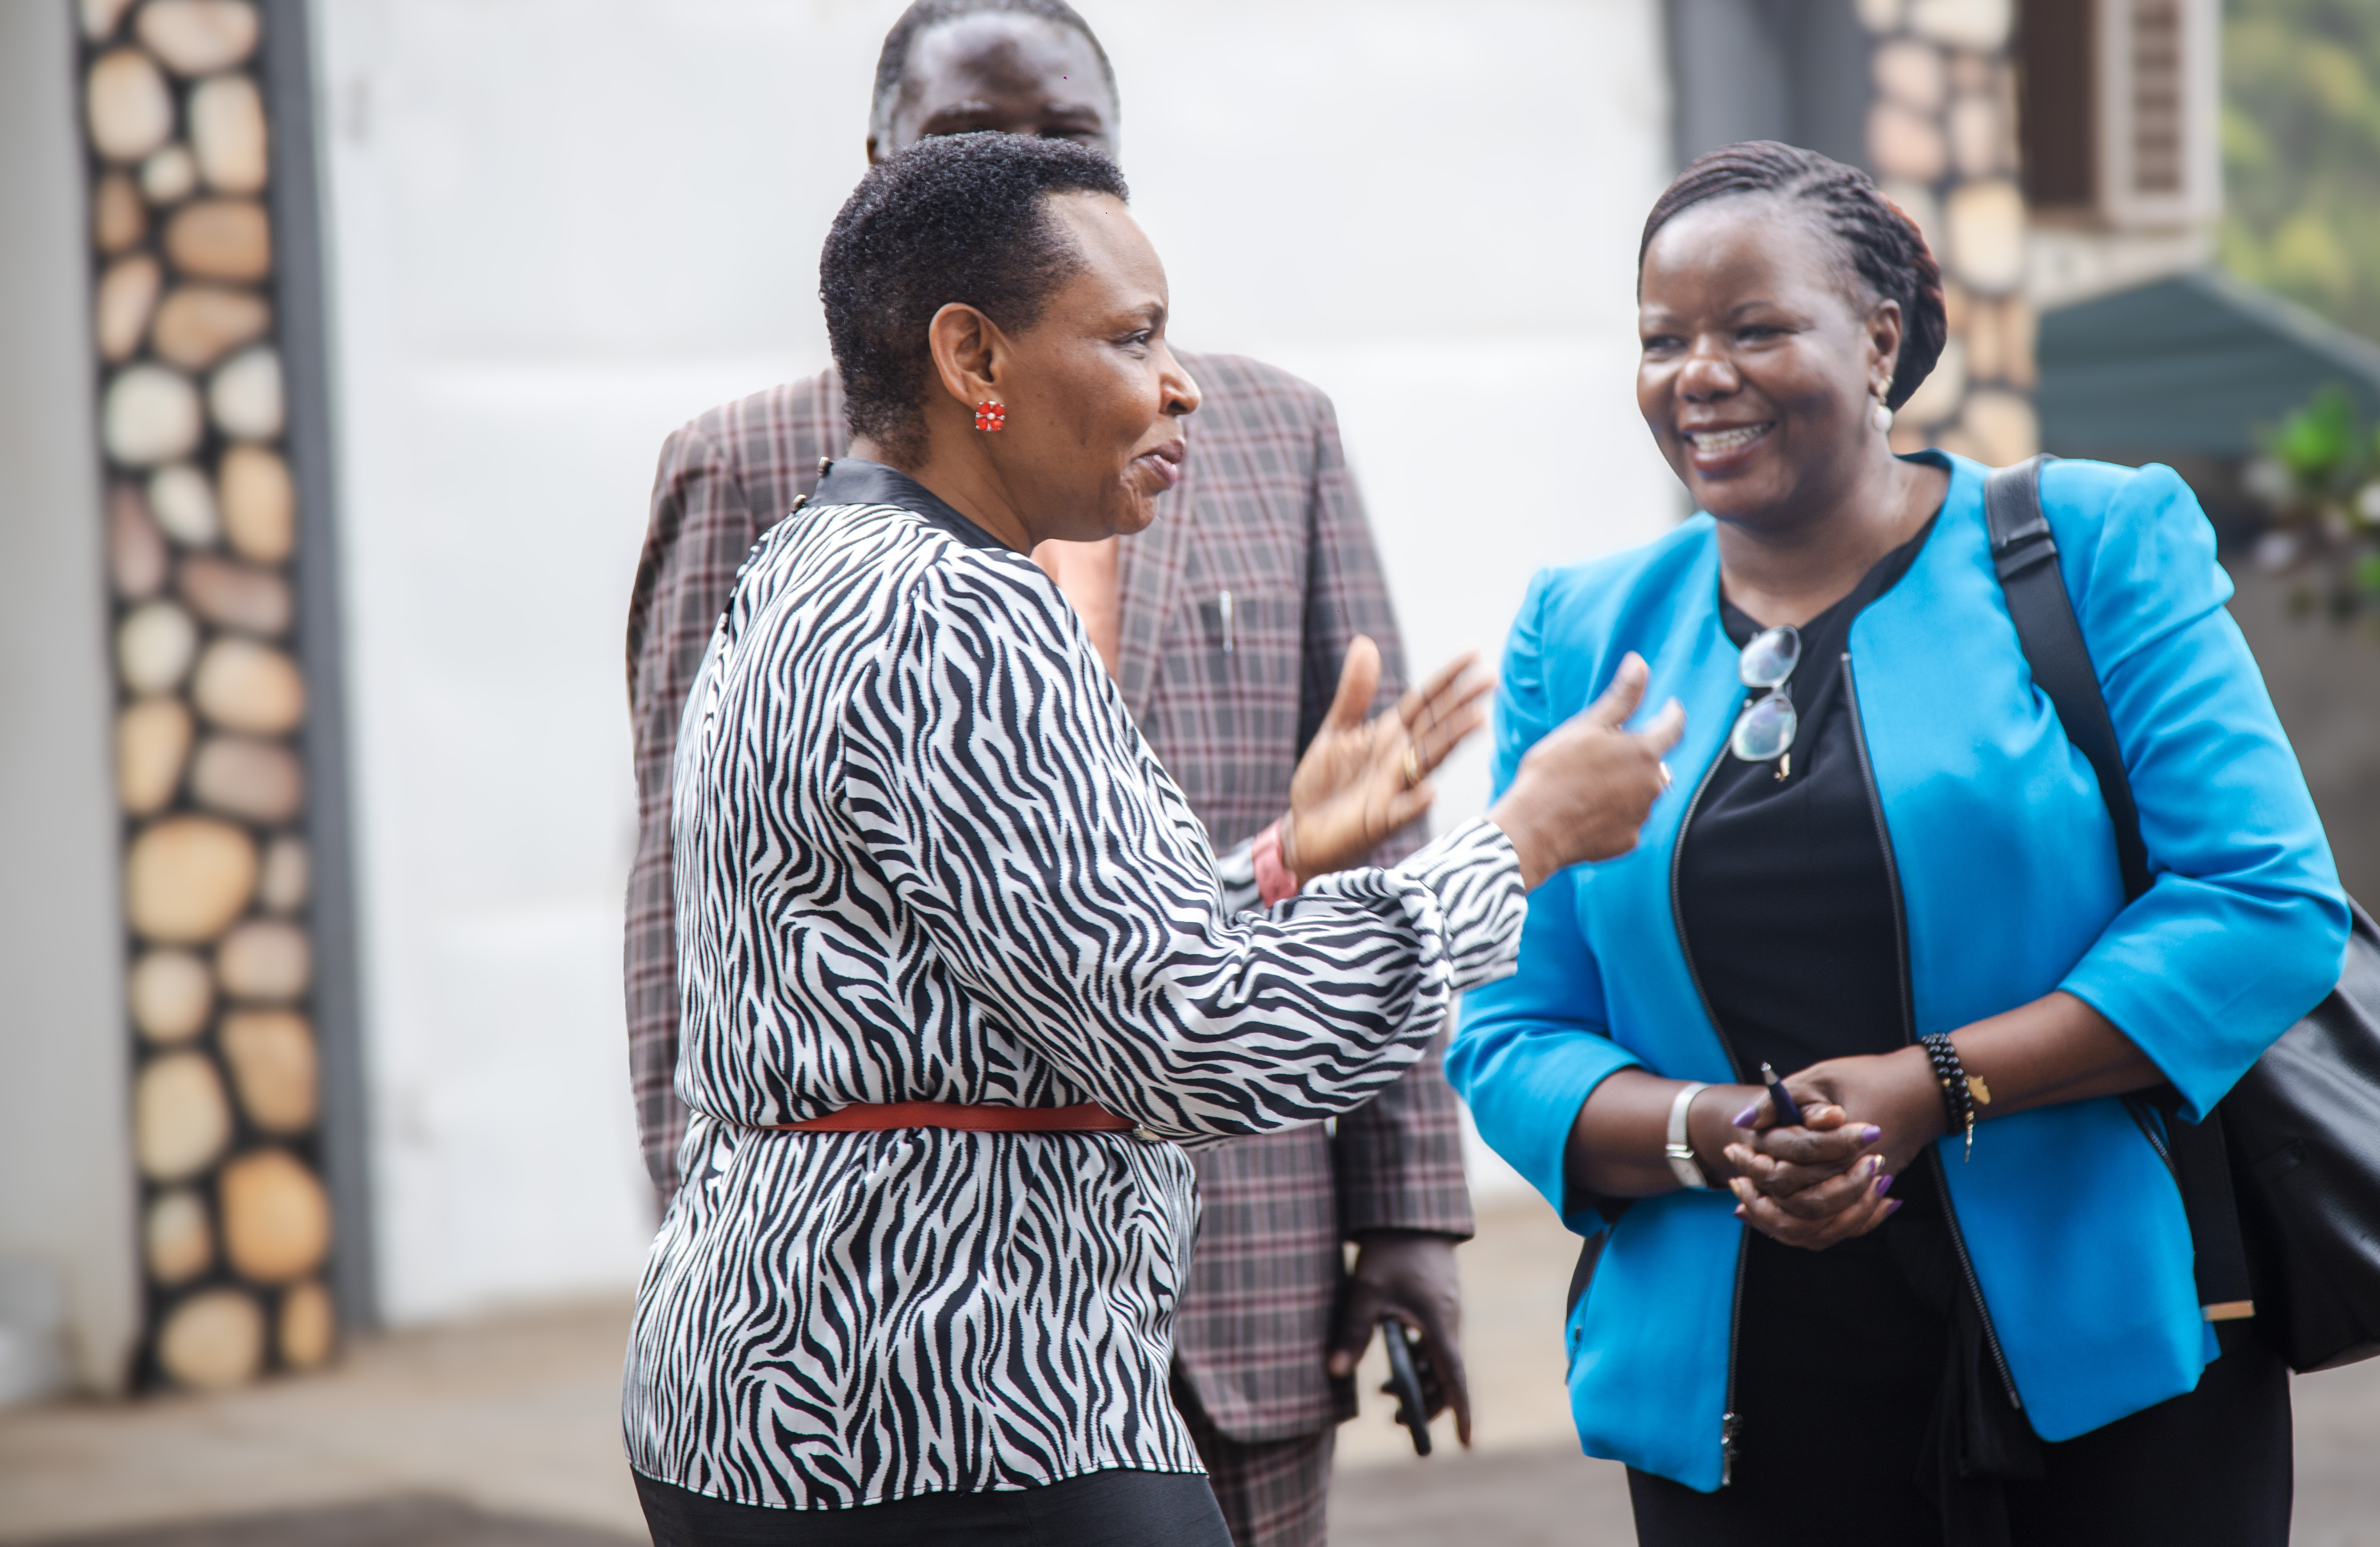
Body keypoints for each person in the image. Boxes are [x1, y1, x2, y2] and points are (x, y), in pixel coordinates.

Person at [623, 132, 1680, 1544]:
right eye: (1132, 336)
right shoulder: (961, 615)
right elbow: (1191, 1043)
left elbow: (999, 963)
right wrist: (1518, 845)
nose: (1181, 383)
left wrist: (1282, 866)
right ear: (974, 361)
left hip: (767, 1407)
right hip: (956, 1413)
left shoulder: (814, 563)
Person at [1446, 141, 2350, 1546]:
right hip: (1740, 1395)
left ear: (1877, 341)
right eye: (1662, 339)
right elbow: (1513, 1028)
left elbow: (2263, 902)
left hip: (2102, 1356)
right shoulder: (1579, 631)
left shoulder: (2090, 544)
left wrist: (1932, 1088)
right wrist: (1726, 1135)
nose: (1700, 374)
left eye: (1754, 327)